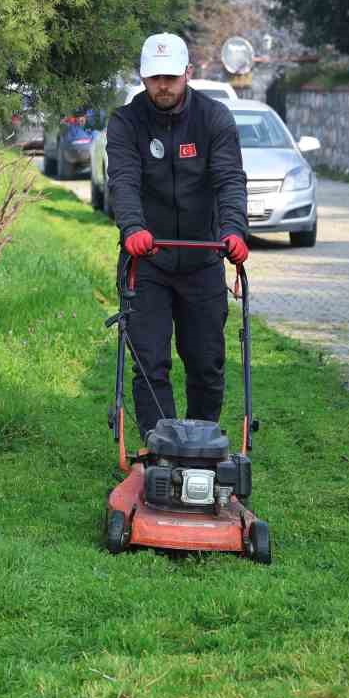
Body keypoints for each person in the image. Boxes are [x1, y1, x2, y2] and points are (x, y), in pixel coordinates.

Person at [105, 33, 249, 439]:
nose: (163, 86)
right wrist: (133, 228)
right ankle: (161, 446)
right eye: (154, 78)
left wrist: (234, 231)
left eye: (170, 76)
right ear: (143, 77)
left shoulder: (213, 118)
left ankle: (202, 442)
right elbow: (124, 181)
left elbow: (229, 181)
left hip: (202, 259)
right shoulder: (126, 122)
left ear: (188, 73)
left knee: (206, 361)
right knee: (150, 361)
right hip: (146, 261)